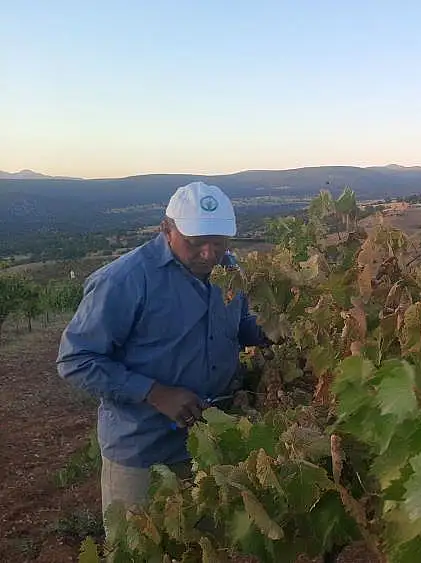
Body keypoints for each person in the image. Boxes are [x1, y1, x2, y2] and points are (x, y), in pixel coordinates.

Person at [56, 181, 271, 517]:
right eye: (196, 243)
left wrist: (278, 329)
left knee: (208, 539)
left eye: (219, 242)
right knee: (143, 541)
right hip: (143, 453)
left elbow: (239, 327)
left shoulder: (230, 269)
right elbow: (76, 359)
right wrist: (154, 393)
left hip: (214, 443)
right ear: (166, 229)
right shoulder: (124, 280)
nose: (209, 254)